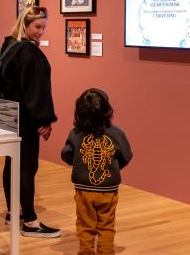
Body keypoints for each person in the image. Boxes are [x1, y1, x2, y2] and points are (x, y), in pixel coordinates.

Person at [0, 6, 61, 238]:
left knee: (11, 163)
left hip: (7, 115)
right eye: (37, 27)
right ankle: (31, 222)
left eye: (44, 27)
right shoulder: (27, 50)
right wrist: (43, 119)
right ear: (25, 24)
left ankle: (15, 212)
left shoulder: (9, 45)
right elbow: (34, 89)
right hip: (24, 118)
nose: (41, 32)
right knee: (27, 167)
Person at [61, 88, 133, 255]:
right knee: (107, 226)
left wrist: (79, 164)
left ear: (79, 112)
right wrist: (113, 167)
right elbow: (127, 156)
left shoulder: (75, 134)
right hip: (108, 190)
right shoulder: (117, 134)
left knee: (85, 225)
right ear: (107, 111)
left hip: (84, 189)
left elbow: (66, 154)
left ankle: (85, 252)